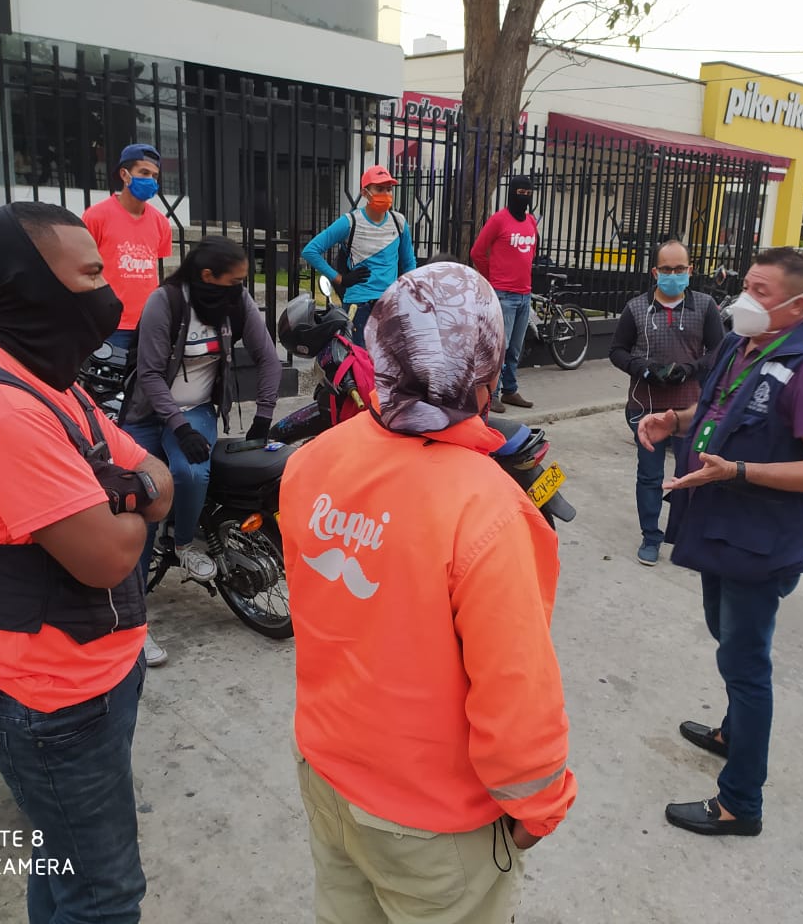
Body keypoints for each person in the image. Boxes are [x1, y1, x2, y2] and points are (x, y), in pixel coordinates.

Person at [281, 261, 577, 922]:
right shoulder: (486, 509)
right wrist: (539, 805)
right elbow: (515, 685)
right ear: (489, 367)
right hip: (430, 823)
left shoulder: (312, 461)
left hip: (326, 770)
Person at [0, 202, 173, 924]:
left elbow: (151, 473)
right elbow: (105, 554)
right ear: (33, 284)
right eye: (90, 273)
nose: (109, 292)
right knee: (105, 894)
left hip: (96, 673)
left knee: (63, 864)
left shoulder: (47, 379)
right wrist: (125, 493)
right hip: (52, 696)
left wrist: (118, 490)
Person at [636, 247, 803, 837]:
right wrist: (672, 422)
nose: (746, 300)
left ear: (800, 305)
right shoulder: (737, 344)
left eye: (763, 292)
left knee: (746, 663)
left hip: (760, 541)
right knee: (722, 635)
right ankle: (733, 732)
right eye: (747, 286)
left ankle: (740, 804)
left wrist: (740, 472)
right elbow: (715, 410)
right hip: (715, 527)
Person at [120, 235, 281, 663]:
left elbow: (268, 357)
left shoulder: (236, 302)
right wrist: (177, 426)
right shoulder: (165, 303)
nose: (241, 289)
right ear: (207, 276)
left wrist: (264, 416)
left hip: (196, 411)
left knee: (191, 473)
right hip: (148, 413)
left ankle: (185, 542)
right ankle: (131, 625)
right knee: (141, 505)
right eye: (234, 281)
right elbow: (150, 374)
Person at [609, 240, 724, 566]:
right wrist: (642, 368)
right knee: (649, 475)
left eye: (679, 269)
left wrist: (691, 369)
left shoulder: (705, 306)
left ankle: (690, 532)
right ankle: (651, 536)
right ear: (655, 272)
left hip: (692, 409)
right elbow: (617, 350)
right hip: (645, 406)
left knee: (694, 471)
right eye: (667, 270)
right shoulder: (635, 309)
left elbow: (719, 351)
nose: (673, 275)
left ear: (690, 271)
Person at [302, 164, 416, 348]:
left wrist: (408, 294)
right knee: (359, 364)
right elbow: (310, 250)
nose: (386, 195)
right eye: (379, 189)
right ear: (365, 193)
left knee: (388, 366)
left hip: (389, 304)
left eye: (389, 189)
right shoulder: (350, 222)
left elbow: (409, 263)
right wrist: (340, 279)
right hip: (359, 305)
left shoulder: (399, 222)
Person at [83, 142, 174, 348]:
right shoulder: (96, 216)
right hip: (110, 323)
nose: (150, 180)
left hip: (148, 322)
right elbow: (83, 268)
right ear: (125, 175)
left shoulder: (161, 222)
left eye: (154, 175)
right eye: (143, 172)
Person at [470, 175, 539, 411]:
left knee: (516, 349)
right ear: (511, 192)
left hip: (524, 295)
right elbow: (478, 252)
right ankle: (492, 393)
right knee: (500, 347)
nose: (525, 197)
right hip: (504, 295)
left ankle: (510, 390)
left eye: (528, 193)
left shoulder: (531, 221)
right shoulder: (498, 220)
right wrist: (493, 279)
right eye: (521, 192)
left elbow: (531, 252)